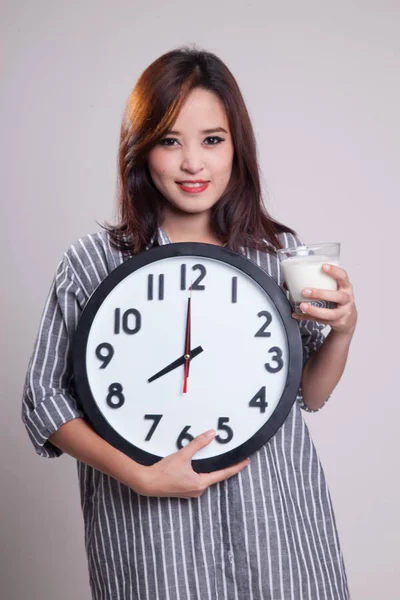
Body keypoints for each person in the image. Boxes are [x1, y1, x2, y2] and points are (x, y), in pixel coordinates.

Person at [22, 45, 357, 600]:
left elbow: (307, 394)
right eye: (169, 141)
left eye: (212, 140)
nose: (193, 163)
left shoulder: (280, 255)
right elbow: (43, 398)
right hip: (154, 539)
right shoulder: (95, 262)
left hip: (278, 522)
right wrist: (141, 476)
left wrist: (341, 331)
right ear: (141, 148)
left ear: (236, 148)